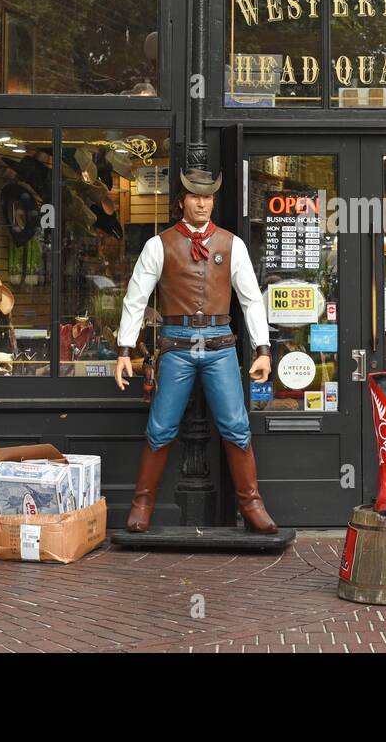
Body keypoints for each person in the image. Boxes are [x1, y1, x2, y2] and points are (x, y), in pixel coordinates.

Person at [113, 167, 278, 533]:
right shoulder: (159, 244)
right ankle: (142, 504)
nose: (202, 203)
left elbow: (252, 301)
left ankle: (252, 505)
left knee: (236, 427)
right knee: (160, 427)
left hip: (220, 345)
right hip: (177, 345)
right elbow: (135, 300)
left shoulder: (231, 244)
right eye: (195, 197)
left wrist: (262, 349)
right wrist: (125, 349)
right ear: (182, 201)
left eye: (208, 197)